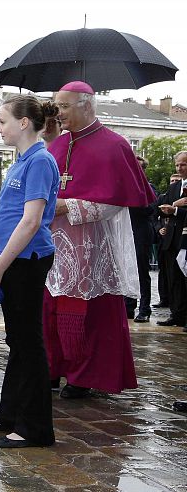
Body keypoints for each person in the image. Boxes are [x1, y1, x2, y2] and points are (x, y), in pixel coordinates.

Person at [43, 81, 156, 398]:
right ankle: (52, 368)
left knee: (89, 314)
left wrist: (70, 206)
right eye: (56, 105)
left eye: (63, 106)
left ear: (86, 104)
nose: (58, 111)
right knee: (50, 309)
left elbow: (119, 200)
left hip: (92, 245)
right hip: (55, 244)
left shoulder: (115, 145)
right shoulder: (56, 146)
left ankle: (83, 375)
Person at [0, 95, 60, 448]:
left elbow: (30, 222)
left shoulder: (40, 161)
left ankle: (35, 427)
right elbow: (4, 218)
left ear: (24, 123)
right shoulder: (20, 161)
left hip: (27, 260)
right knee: (17, 342)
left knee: (28, 343)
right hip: (11, 259)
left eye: (2, 120)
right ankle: (9, 414)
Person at [155, 151, 187, 329]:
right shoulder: (174, 187)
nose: (179, 168)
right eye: (177, 165)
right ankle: (177, 314)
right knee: (173, 279)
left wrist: (175, 210)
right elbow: (160, 207)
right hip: (170, 239)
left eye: (183, 164)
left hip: (185, 239)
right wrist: (169, 209)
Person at [125, 155, 157, 323]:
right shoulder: (123, 186)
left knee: (142, 272)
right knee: (126, 270)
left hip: (141, 233)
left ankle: (145, 308)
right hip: (125, 233)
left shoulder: (148, 188)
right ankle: (129, 306)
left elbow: (150, 209)